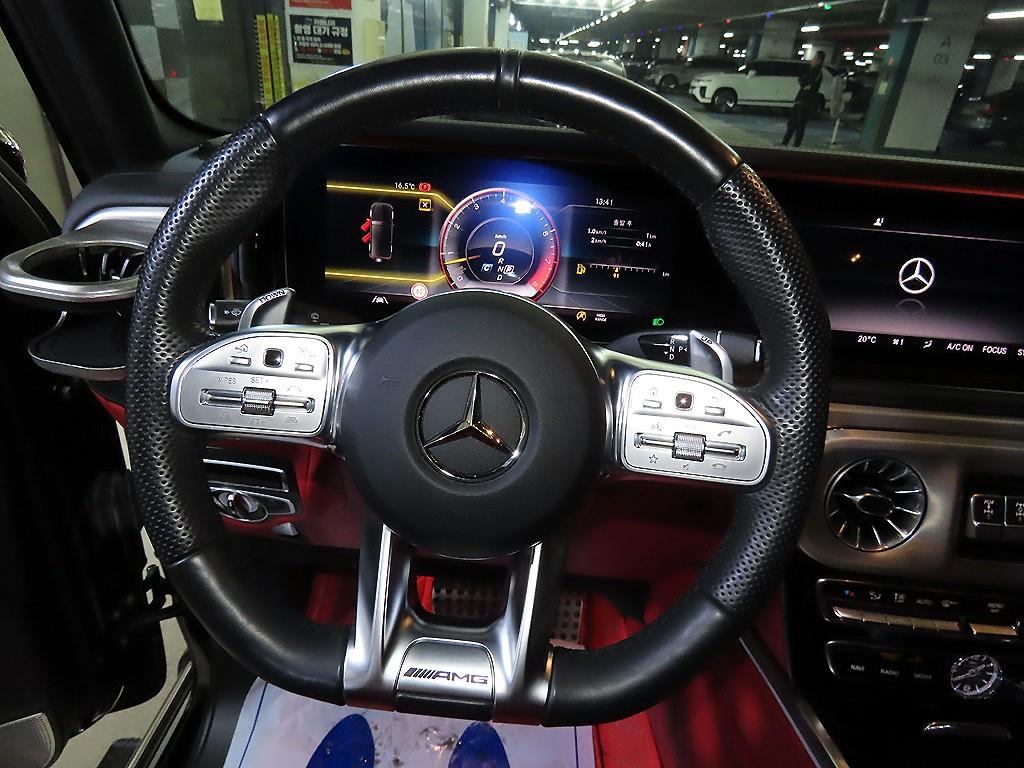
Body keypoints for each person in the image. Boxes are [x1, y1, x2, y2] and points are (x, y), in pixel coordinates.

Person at [782, 50, 826, 148]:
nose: (812, 60)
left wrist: (804, 82)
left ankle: (794, 144)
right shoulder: (811, 70)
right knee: (793, 123)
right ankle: (786, 143)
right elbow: (803, 81)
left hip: (806, 102)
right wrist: (804, 82)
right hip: (801, 100)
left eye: (814, 58)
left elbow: (805, 82)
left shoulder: (817, 72)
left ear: (819, 61)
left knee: (799, 124)